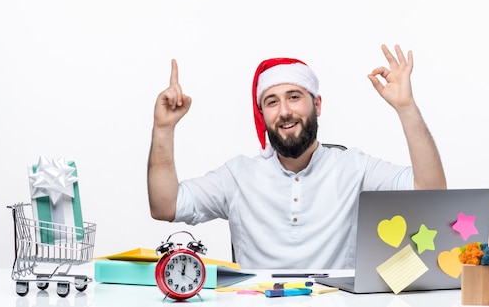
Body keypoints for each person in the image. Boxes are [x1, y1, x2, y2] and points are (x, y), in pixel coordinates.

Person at [147, 44, 446, 269]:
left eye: (294, 97)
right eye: (272, 102)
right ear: (262, 114)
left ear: (316, 104)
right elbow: (165, 205)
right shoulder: (238, 175)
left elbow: (431, 193)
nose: (285, 111)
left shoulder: (354, 168)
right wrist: (163, 128)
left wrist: (405, 106)